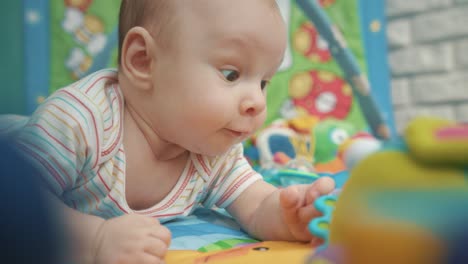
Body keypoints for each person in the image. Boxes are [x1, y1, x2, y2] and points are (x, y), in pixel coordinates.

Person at [11, 0, 335, 263]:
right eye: (231, 74)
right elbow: (15, 201)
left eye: (263, 82)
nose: (257, 102)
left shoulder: (212, 151)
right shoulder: (79, 122)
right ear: (143, 61)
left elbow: (256, 203)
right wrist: (94, 241)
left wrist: (286, 214)